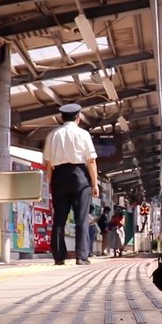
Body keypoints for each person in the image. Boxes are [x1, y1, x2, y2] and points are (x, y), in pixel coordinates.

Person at [43, 103, 99, 266]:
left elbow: (48, 163)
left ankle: (59, 257)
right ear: (78, 118)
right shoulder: (83, 134)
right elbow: (91, 161)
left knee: (59, 219)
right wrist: (94, 184)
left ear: (61, 118)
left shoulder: (52, 134)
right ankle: (81, 257)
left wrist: (50, 181)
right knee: (81, 218)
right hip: (79, 176)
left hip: (59, 175)